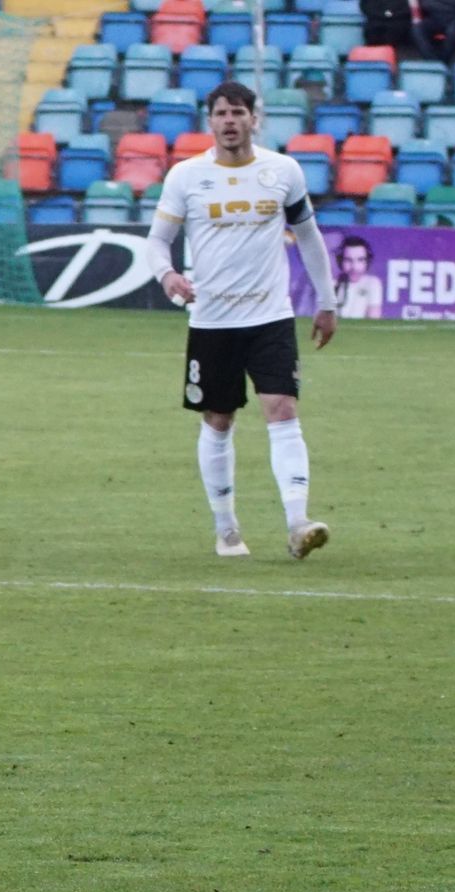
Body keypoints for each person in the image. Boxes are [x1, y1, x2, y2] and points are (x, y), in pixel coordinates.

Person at [149, 81, 338, 561]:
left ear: (255, 119)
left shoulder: (283, 172)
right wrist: (168, 274)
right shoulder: (186, 177)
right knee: (218, 418)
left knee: (283, 409)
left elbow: (310, 238)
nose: (229, 121)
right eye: (220, 113)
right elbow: (157, 241)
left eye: (238, 112)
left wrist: (327, 300)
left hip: (270, 317)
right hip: (212, 321)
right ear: (209, 121)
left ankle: (298, 522)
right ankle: (227, 528)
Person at [334, 234, 384, 319]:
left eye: (360, 260)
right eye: (348, 260)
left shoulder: (372, 283)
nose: (354, 267)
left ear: (367, 262)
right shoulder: (331, 284)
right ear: (340, 261)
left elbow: (374, 318)